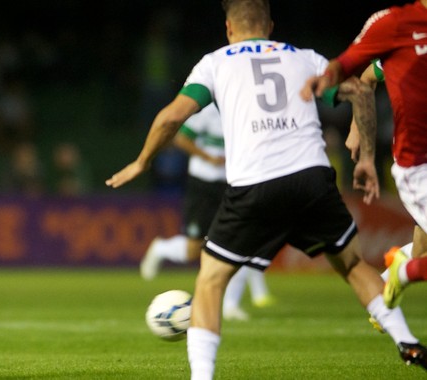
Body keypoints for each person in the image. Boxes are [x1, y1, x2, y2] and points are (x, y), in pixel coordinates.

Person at [106, 1, 426, 378]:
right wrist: (367, 156)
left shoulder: (215, 63)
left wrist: (142, 162)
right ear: (270, 25)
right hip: (312, 180)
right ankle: (406, 341)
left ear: (228, 28)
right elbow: (358, 90)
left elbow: (171, 116)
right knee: (354, 265)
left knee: (210, 280)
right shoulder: (305, 58)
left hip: (254, 185)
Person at [300, 0, 427, 312]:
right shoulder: (397, 24)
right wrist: (357, 126)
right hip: (419, 162)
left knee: (423, 247)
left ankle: (397, 275)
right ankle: (402, 272)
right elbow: (362, 76)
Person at [140, 103, 274, 321]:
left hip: (233, 183)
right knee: (194, 250)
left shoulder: (244, 106)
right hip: (202, 183)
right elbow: (181, 139)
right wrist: (207, 157)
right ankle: (161, 248)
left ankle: (231, 305)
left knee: (237, 241)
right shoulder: (207, 110)